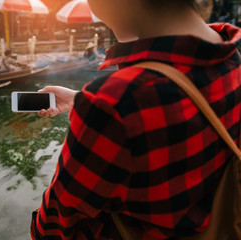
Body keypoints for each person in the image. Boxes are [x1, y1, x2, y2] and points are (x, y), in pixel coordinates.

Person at [31, 0, 241, 239]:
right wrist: (83, 99)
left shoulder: (114, 104)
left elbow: (51, 226)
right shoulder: (231, 55)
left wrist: (97, 106)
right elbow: (180, 104)